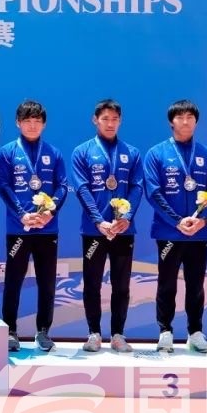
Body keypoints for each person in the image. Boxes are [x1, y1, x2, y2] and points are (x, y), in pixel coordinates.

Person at [143, 100, 207, 354]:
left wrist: (203, 219)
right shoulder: (156, 153)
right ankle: (165, 331)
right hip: (168, 232)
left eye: (190, 117)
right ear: (171, 121)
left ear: (196, 121)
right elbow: (153, 193)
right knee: (166, 283)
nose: (185, 121)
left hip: (198, 232)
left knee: (196, 284)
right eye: (180, 117)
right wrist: (177, 220)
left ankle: (195, 332)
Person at [0, 100, 68, 352]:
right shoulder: (7, 152)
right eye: (27, 121)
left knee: (47, 282)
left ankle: (43, 331)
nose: (32, 125)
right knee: (13, 280)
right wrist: (22, 215)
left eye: (37, 121)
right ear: (18, 123)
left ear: (44, 124)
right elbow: (3, 186)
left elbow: (62, 187)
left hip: (47, 229)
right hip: (19, 228)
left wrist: (50, 212)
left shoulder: (54, 153)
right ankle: (10, 331)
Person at [70, 99, 143, 352]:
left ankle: (118, 335)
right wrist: (98, 220)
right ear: (95, 120)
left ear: (120, 121)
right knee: (92, 283)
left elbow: (136, 188)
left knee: (121, 285)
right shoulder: (82, 152)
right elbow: (81, 188)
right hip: (94, 230)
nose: (110, 124)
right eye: (105, 119)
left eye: (114, 119)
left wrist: (127, 217)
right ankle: (93, 333)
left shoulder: (131, 153)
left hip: (123, 230)